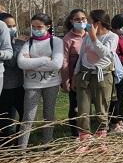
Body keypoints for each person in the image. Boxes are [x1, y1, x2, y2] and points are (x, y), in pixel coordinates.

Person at [73, 10, 119, 152]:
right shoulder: (87, 36)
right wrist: (76, 74)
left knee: (101, 108)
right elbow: (82, 56)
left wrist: (94, 38)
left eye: (89, 21)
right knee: (83, 109)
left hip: (103, 76)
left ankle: (101, 142)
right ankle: (84, 141)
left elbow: (105, 54)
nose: (86, 24)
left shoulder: (113, 37)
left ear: (97, 23)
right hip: (85, 75)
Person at [17, 13, 63, 149]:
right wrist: (44, 60)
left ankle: (47, 146)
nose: (36, 29)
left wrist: (31, 63)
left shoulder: (56, 42)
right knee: (28, 118)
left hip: (52, 83)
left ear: (48, 27)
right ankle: (21, 150)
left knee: (49, 116)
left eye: (39, 26)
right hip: (32, 85)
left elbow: (57, 64)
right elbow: (21, 63)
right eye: (33, 26)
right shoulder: (28, 42)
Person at [60, 9, 87, 137]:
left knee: (86, 106)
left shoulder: (90, 35)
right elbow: (64, 61)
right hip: (74, 78)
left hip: (89, 77)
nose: (81, 21)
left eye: (83, 19)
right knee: (75, 106)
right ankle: (75, 134)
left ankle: (86, 132)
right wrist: (66, 81)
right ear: (71, 21)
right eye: (77, 19)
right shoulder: (67, 39)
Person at [0, 13, 25, 147]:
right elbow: (10, 62)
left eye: (14, 25)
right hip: (5, 88)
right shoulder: (8, 43)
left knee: (24, 116)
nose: (12, 29)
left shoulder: (17, 41)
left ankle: (19, 143)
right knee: (6, 120)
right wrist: (19, 45)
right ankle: (7, 147)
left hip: (20, 86)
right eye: (9, 26)